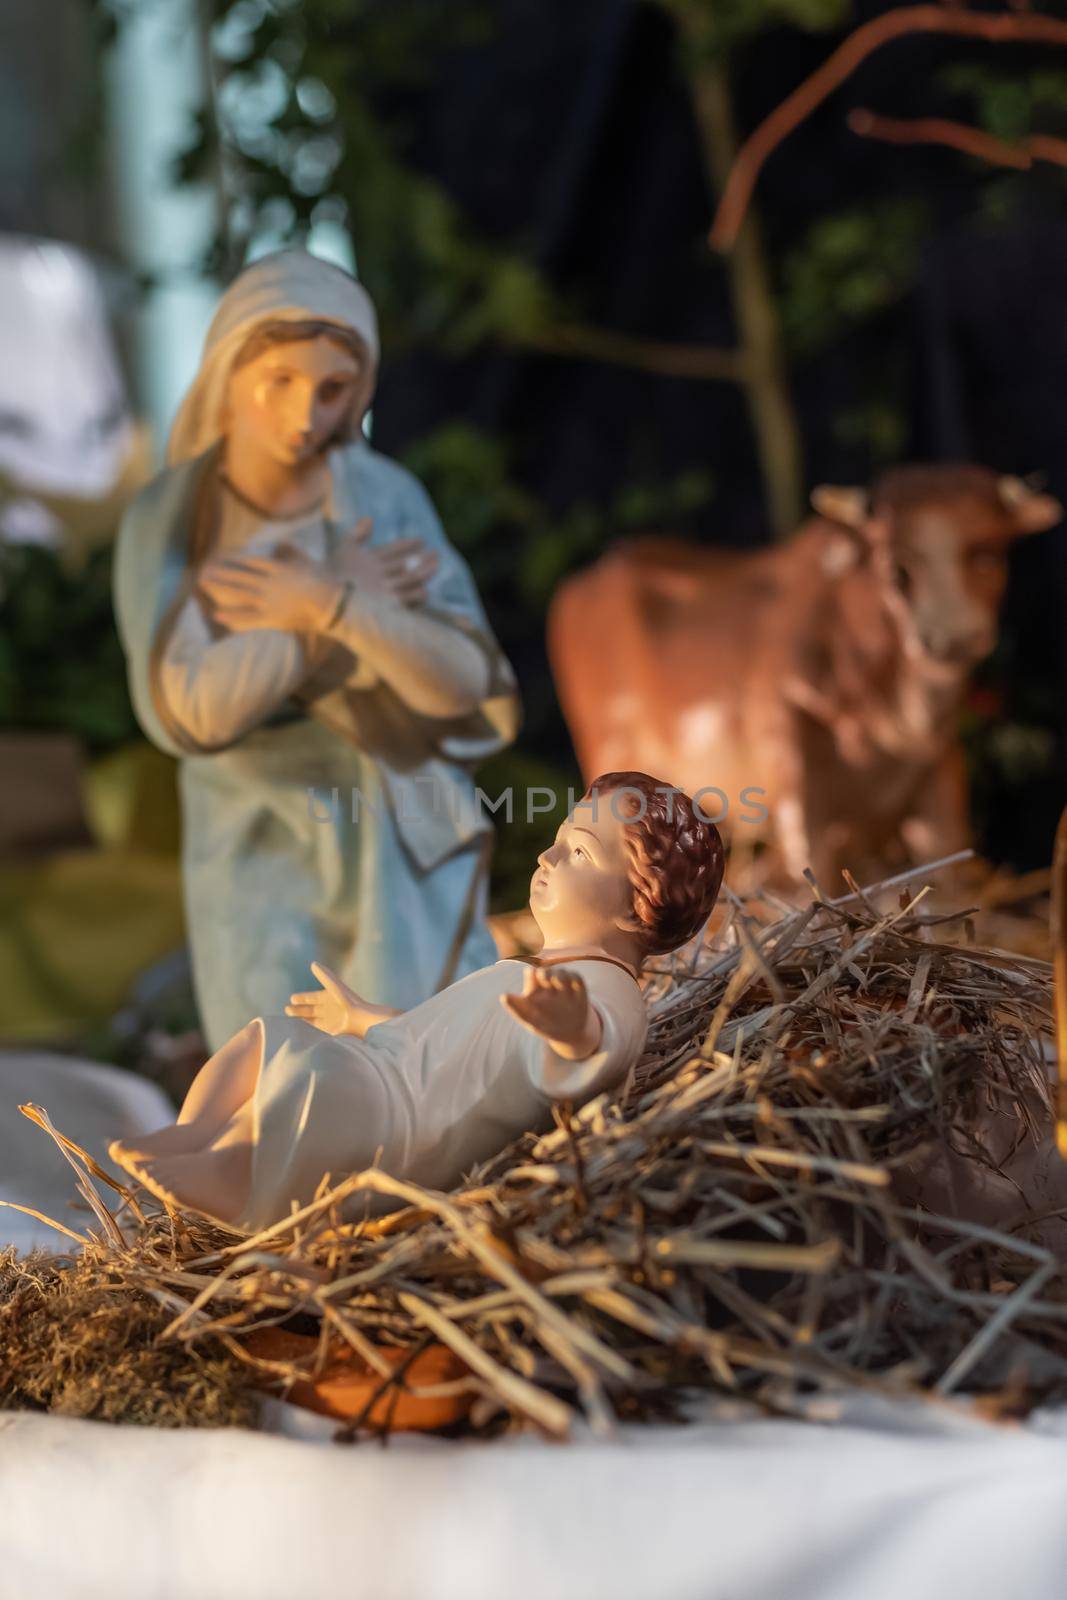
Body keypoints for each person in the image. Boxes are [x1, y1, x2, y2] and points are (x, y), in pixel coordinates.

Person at [114, 251, 519, 1050]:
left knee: (426, 1056)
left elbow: (463, 684)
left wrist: (331, 604)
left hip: (396, 826)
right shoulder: (173, 517)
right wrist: (331, 608)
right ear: (229, 373)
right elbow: (189, 713)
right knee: (289, 1068)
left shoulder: (385, 497)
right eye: (280, 383)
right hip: (258, 837)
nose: (305, 415)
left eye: (331, 389)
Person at [109, 773, 726, 1232]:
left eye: (580, 852)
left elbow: (601, 1050)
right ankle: (194, 1135)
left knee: (315, 1083)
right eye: (561, 839)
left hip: (404, 1130)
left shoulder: (604, 989)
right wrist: (363, 1018)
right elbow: (439, 1036)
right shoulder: (535, 971)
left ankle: (241, 1193)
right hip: (390, 1072)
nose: (547, 855)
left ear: (635, 904)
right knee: (271, 1036)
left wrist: (574, 1032)